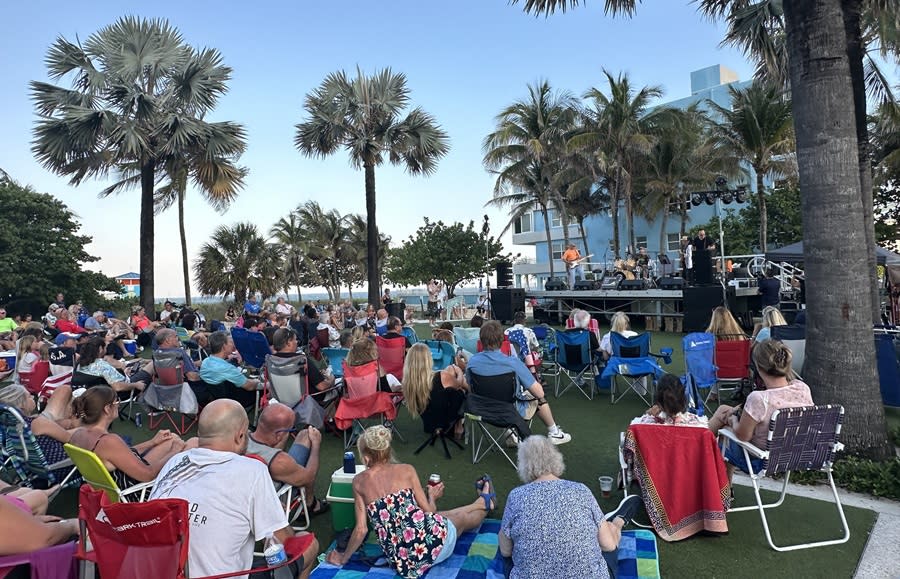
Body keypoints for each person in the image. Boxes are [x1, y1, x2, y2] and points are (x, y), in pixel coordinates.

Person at [150, 399, 318, 579]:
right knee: (307, 542)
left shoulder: (175, 462)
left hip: (163, 572)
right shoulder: (252, 470)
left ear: (200, 433)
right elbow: (283, 540)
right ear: (240, 436)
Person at [325, 426, 493, 577]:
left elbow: (361, 530)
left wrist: (342, 558)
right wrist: (432, 497)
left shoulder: (359, 482)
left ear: (367, 458)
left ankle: (478, 503)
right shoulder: (406, 470)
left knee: (444, 517)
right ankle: (485, 504)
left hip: (405, 563)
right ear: (388, 451)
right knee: (462, 520)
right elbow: (429, 512)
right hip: (433, 544)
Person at [500, 435, 640, 579]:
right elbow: (609, 546)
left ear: (523, 465)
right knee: (610, 533)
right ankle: (618, 521)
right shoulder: (581, 490)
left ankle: (612, 522)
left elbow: (505, 551)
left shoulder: (516, 496)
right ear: (556, 459)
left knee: (507, 557)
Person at [709, 339, 813, 480]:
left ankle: (725, 491)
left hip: (761, 459)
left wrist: (733, 420)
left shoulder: (759, 399)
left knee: (726, 433)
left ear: (758, 367)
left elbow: (743, 436)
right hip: (791, 454)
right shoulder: (802, 388)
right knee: (723, 410)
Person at [467, 321, 572, 445]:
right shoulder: (513, 363)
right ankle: (554, 432)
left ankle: (512, 432)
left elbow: (470, 388)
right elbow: (539, 392)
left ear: (481, 340)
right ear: (502, 340)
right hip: (509, 411)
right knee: (538, 397)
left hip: (481, 410)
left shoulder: (472, 362)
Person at [69, 386, 191, 487]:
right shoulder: (108, 441)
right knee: (191, 444)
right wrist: (175, 452)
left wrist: (152, 442)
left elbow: (118, 455)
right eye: (116, 401)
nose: (118, 404)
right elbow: (147, 475)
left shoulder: (78, 435)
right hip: (136, 492)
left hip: (115, 487)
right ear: (107, 409)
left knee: (172, 438)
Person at [246, 403, 329, 517]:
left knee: (304, 434)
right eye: (290, 429)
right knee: (307, 436)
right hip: (271, 500)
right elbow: (309, 477)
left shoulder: (240, 440)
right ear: (279, 434)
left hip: (249, 493)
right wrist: (316, 445)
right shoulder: (279, 461)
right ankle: (311, 505)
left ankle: (310, 503)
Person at [403, 343, 468, 441]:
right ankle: (459, 426)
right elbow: (459, 384)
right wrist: (459, 372)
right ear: (428, 360)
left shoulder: (408, 382)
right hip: (447, 420)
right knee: (461, 389)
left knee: (449, 371)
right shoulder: (441, 376)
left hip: (429, 422)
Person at [199, 330, 261, 408]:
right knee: (264, 388)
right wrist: (258, 381)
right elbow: (249, 386)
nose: (233, 344)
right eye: (231, 342)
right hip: (235, 401)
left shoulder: (205, 362)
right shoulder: (227, 369)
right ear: (224, 346)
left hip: (217, 399)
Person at [704, 306, 750, 401]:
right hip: (740, 372)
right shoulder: (740, 336)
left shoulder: (709, 336)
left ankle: (713, 392)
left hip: (718, 373)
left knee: (710, 362)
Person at [75, 336, 148, 394]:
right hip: (121, 392)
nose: (106, 350)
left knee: (139, 365)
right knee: (150, 367)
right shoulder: (101, 365)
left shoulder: (80, 364)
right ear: (100, 349)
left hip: (96, 394)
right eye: (105, 347)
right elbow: (118, 387)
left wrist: (124, 373)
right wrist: (136, 385)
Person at [633, 374, 708, 426]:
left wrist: (646, 414)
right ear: (683, 398)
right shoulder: (700, 425)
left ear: (658, 401)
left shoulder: (640, 425)